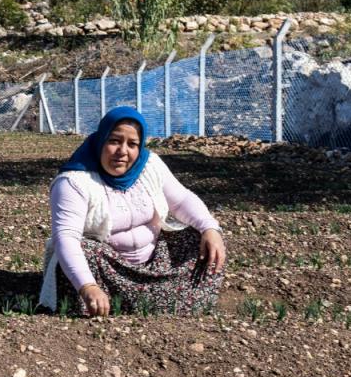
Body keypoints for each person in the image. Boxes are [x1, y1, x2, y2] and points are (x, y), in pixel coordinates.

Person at [40, 106, 226, 316]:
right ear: (101, 140)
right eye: (114, 141)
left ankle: (147, 301)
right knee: (84, 250)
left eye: (132, 144)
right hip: (105, 269)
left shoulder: (150, 165)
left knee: (202, 240)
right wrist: (87, 286)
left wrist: (210, 228)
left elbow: (182, 200)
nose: (123, 151)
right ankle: (108, 300)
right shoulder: (73, 183)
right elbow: (66, 237)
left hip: (154, 261)